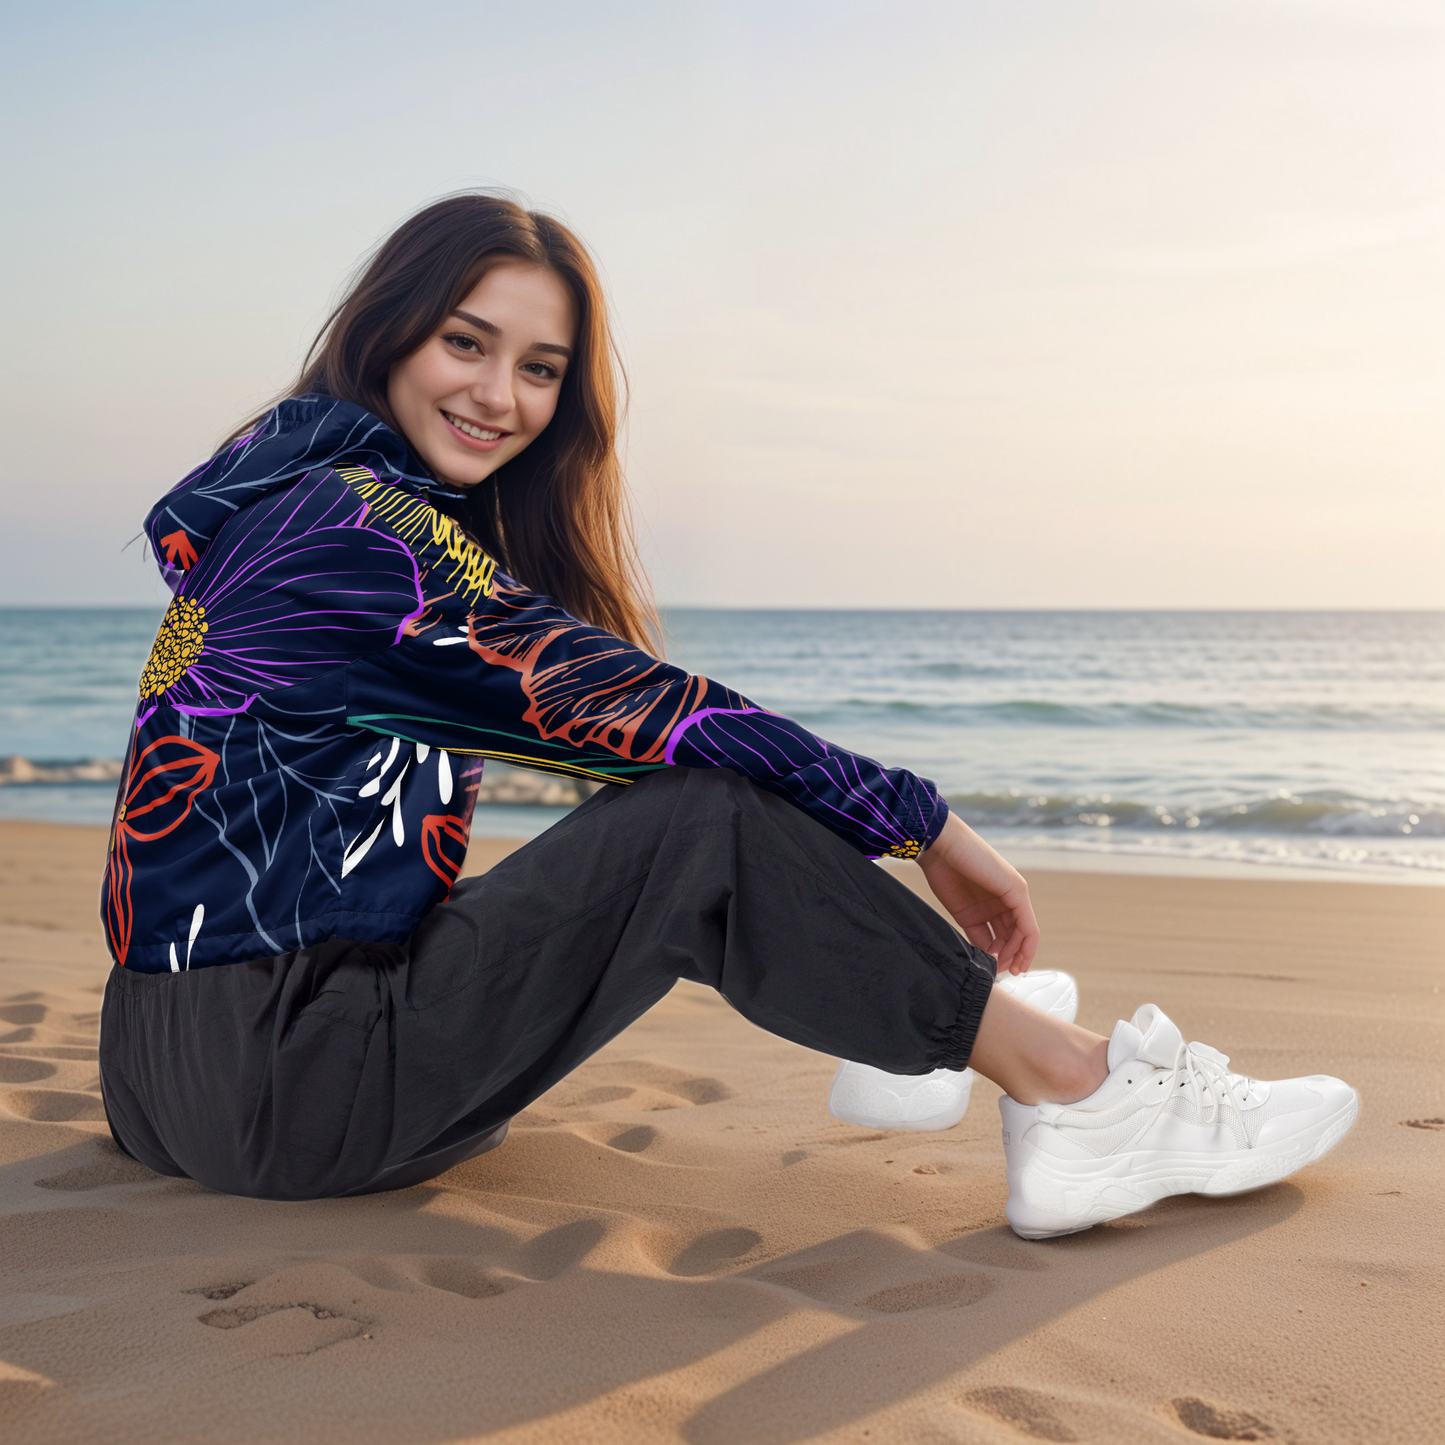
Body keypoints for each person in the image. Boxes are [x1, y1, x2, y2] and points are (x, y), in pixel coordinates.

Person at [98, 193, 1357, 1238]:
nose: (501, 395)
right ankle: (1077, 1089)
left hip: (162, 1070)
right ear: (388, 334)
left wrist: (856, 910)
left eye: (539, 368)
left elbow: (610, 746)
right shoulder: (361, 536)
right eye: (464, 344)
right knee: (700, 815)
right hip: (292, 1084)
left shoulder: (290, 502)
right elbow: (652, 717)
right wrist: (923, 824)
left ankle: (920, 1024)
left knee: (683, 806)